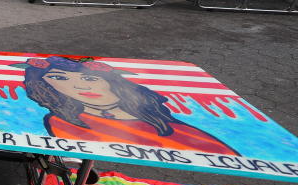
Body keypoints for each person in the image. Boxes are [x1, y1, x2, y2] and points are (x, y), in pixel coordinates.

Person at [19, 56, 237, 154]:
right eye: (59, 79)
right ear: (44, 87)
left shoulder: (175, 128)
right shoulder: (62, 122)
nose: (78, 86)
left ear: (111, 82)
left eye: (89, 78)